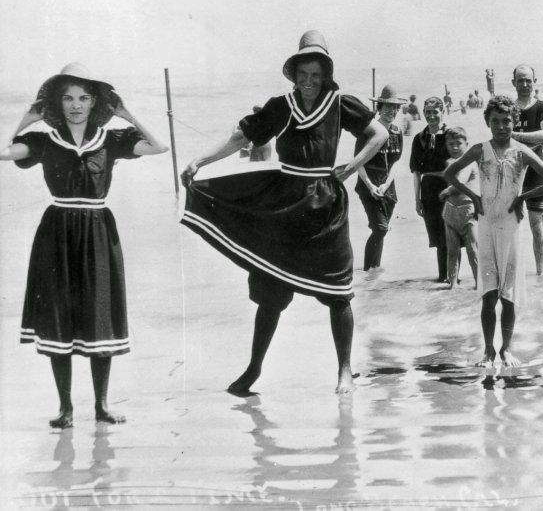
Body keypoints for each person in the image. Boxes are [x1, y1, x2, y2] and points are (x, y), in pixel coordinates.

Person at [180, 31, 387, 395]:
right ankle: (253, 369)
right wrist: (200, 160)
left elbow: (379, 134)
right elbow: (241, 138)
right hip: (285, 204)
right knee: (271, 288)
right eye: (303, 74)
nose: (309, 82)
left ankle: (344, 370)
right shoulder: (280, 106)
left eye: (316, 75)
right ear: (294, 74)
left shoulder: (341, 104)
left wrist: (353, 166)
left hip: (327, 205)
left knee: (338, 291)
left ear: (326, 75)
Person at [0, 63, 168, 428]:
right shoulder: (44, 141)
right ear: (57, 103)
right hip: (57, 231)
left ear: (94, 103)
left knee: (98, 313)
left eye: (84, 98)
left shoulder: (111, 139)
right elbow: (2, 152)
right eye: (68, 98)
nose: (76, 105)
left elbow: (159, 146)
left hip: (97, 229)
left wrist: (127, 114)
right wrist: (25, 119)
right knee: (58, 314)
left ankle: (102, 406)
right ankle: (66, 409)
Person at [443, 95, 543, 368]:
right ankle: (488, 351)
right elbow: (450, 175)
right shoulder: (479, 150)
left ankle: (507, 349)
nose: (501, 126)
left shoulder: (521, 152)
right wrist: (473, 197)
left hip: (511, 227)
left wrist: (523, 198)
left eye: (506, 120)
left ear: (515, 121)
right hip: (486, 225)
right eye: (495, 121)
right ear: (487, 122)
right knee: (488, 294)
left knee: (509, 296)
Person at [355, 85, 406, 272]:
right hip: (368, 184)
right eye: (388, 107)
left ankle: (375, 271)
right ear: (379, 108)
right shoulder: (367, 131)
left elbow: (395, 162)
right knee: (380, 228)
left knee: (381, 231)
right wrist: (370, 186)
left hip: (387, 186)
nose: (392, 111)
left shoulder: (397, 132)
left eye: (395, 107)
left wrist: (386, 184)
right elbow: (357, 162)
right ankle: (367, 272)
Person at [511, 64, 543, 275]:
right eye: (520, 80)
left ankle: (540, 276)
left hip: (535, 174)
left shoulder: (541, 106)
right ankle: (511, 276)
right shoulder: (508, 107)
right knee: (509, 228)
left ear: (534, 81)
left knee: (537, 228)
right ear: (513, 83)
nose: (525, 84)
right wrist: (531, 139)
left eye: (528, 80)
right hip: (510, 173)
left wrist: (515, 136)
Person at [409, 97, 450, 281]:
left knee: (452, 234)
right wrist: (417, 200)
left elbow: (461, 164)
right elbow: (416, 172)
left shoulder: (451, 135)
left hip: (448, 188)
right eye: (428, 112)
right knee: (437, 237)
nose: (431, 116)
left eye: (435, 112)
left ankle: (452, 277)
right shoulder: (419, 138)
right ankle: (443, 278)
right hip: (428, 190)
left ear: (443, 112)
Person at [438, 126, 479, 290]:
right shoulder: (449, 162)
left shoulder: (469, 162)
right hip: (450, 210)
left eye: (458, 143)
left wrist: (445, 192)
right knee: (452, 251)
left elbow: (460, 181)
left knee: (473, 250)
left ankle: (479, 284)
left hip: (468, 210)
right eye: (451, 144)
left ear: (466, 144)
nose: (454, 147)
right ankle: (453, 284)